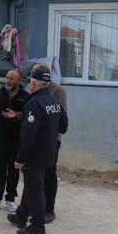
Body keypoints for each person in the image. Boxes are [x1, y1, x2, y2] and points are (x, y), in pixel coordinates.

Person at [8, 67, 68, 234]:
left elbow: (28, 135)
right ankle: (21, 216)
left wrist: (20, 158)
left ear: (33, 84)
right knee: (32, 184)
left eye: (30, 83)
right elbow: (63, 127)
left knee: (35, 188)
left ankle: (37, 226)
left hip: (35, 154)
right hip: (50, 151)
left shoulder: (33, 104)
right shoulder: (55, 102)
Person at [0, 69, 30, 213]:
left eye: (12, 78)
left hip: (16, 141)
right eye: (7, 78)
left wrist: (16, 115)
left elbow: (29, 116)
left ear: (18, 81)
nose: (8, 81)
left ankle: (10, 199)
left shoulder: (25, 97)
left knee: (14, 172)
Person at [30, 62, 68, 224]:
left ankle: (49, 209)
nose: (31, 77)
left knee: (49, 174)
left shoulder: (57, 91)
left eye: (34, 73)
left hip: (51, 140)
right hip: (36, 140)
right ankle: (31, 208)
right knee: (33, 175)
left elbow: (61, 118)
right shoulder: (33, 88)